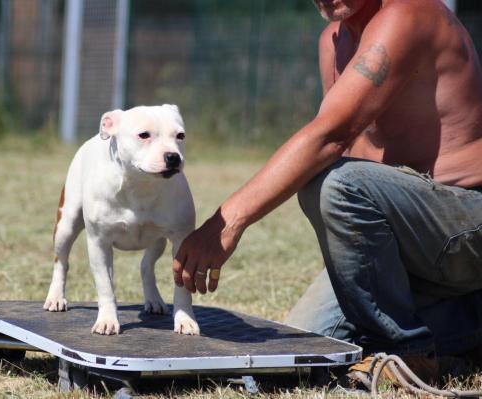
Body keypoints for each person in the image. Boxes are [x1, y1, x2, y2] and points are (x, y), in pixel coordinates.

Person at [172, 0, 482, 379]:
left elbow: (331, 140)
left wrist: (227, 222)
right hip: (415, 245)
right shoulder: (332, 41)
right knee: (304, 352)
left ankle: (405, 353)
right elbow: (353, 156)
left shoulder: (407, 14)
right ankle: (465, 329)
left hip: (466, 222)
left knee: (335, 184)